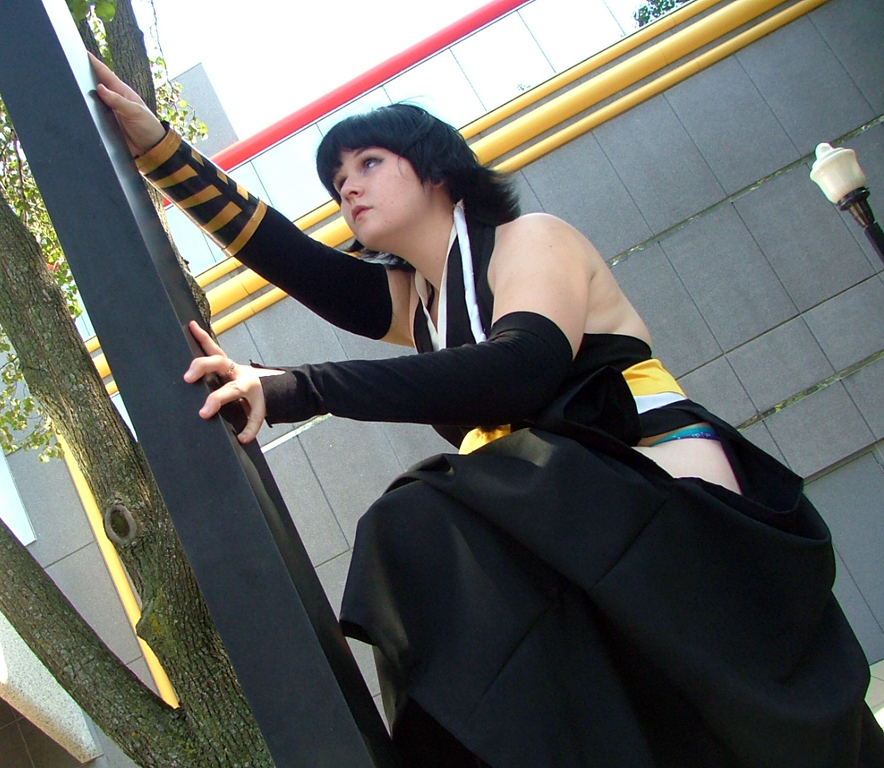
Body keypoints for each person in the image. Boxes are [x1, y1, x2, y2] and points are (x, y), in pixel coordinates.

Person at [91, 56, 884, 767]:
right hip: (564, 518)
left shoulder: (531, 240)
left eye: (369, 162)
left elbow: (519, 368)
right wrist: (159, 150)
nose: (347, 187)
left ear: (436, 168)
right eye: (336, 180)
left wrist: (296, 386)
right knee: (424, 556)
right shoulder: (420, 302)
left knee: (420, 520)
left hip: (657, 489)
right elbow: (288, 255)